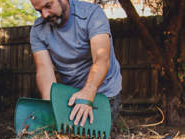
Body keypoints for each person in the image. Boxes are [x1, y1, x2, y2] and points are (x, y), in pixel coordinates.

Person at [29, 0, 122, 129]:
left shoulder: (91, 14)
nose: (44, 15)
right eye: (39, 11)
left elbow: (101, 59)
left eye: (48, 6)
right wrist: (51, 109)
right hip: (72, 92)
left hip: (104, 90)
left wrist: (88, 92)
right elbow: (44, 71)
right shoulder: (38, 30)